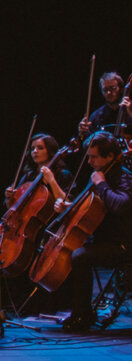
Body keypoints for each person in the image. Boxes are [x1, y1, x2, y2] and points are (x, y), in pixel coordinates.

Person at [52, 131, 132, 332]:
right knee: (72, 251)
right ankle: (72, 308)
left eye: (94, 156)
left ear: (111, 156)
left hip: (123, 244)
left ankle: (82, 315)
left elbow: (121, 205)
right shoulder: (98, 175)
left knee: (80, 256)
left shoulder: (123, 178)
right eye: (89, 156)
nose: (89, 161)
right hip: (103, 240)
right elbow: (86, 207)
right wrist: (67, 207)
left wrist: (101, 183)